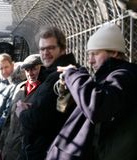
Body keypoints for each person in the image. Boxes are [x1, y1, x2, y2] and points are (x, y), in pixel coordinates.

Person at [46, 23, 137, 160]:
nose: (90, 61)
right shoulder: (111, 75)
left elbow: (97, 107)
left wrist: (74, 75)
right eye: (89, 54)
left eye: (95, 54)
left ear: (114, 52)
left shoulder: (124, 75)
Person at [15, 26, 77, 160]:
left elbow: (41, 121)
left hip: (49, 151)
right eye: (42, 49)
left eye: (51, 48)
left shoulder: (59, 76)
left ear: (62, 49)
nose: (45, 52)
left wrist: (22, 112)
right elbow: (54, 111)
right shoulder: (52, 75)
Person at [0, 54, 43, 160]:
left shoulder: (44, 91)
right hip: (9, 149)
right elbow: (8, 120)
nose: (30, 73)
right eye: (27, 70)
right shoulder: (19, 88)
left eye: (34, 69)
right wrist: (1, 145)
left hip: (26, 153)